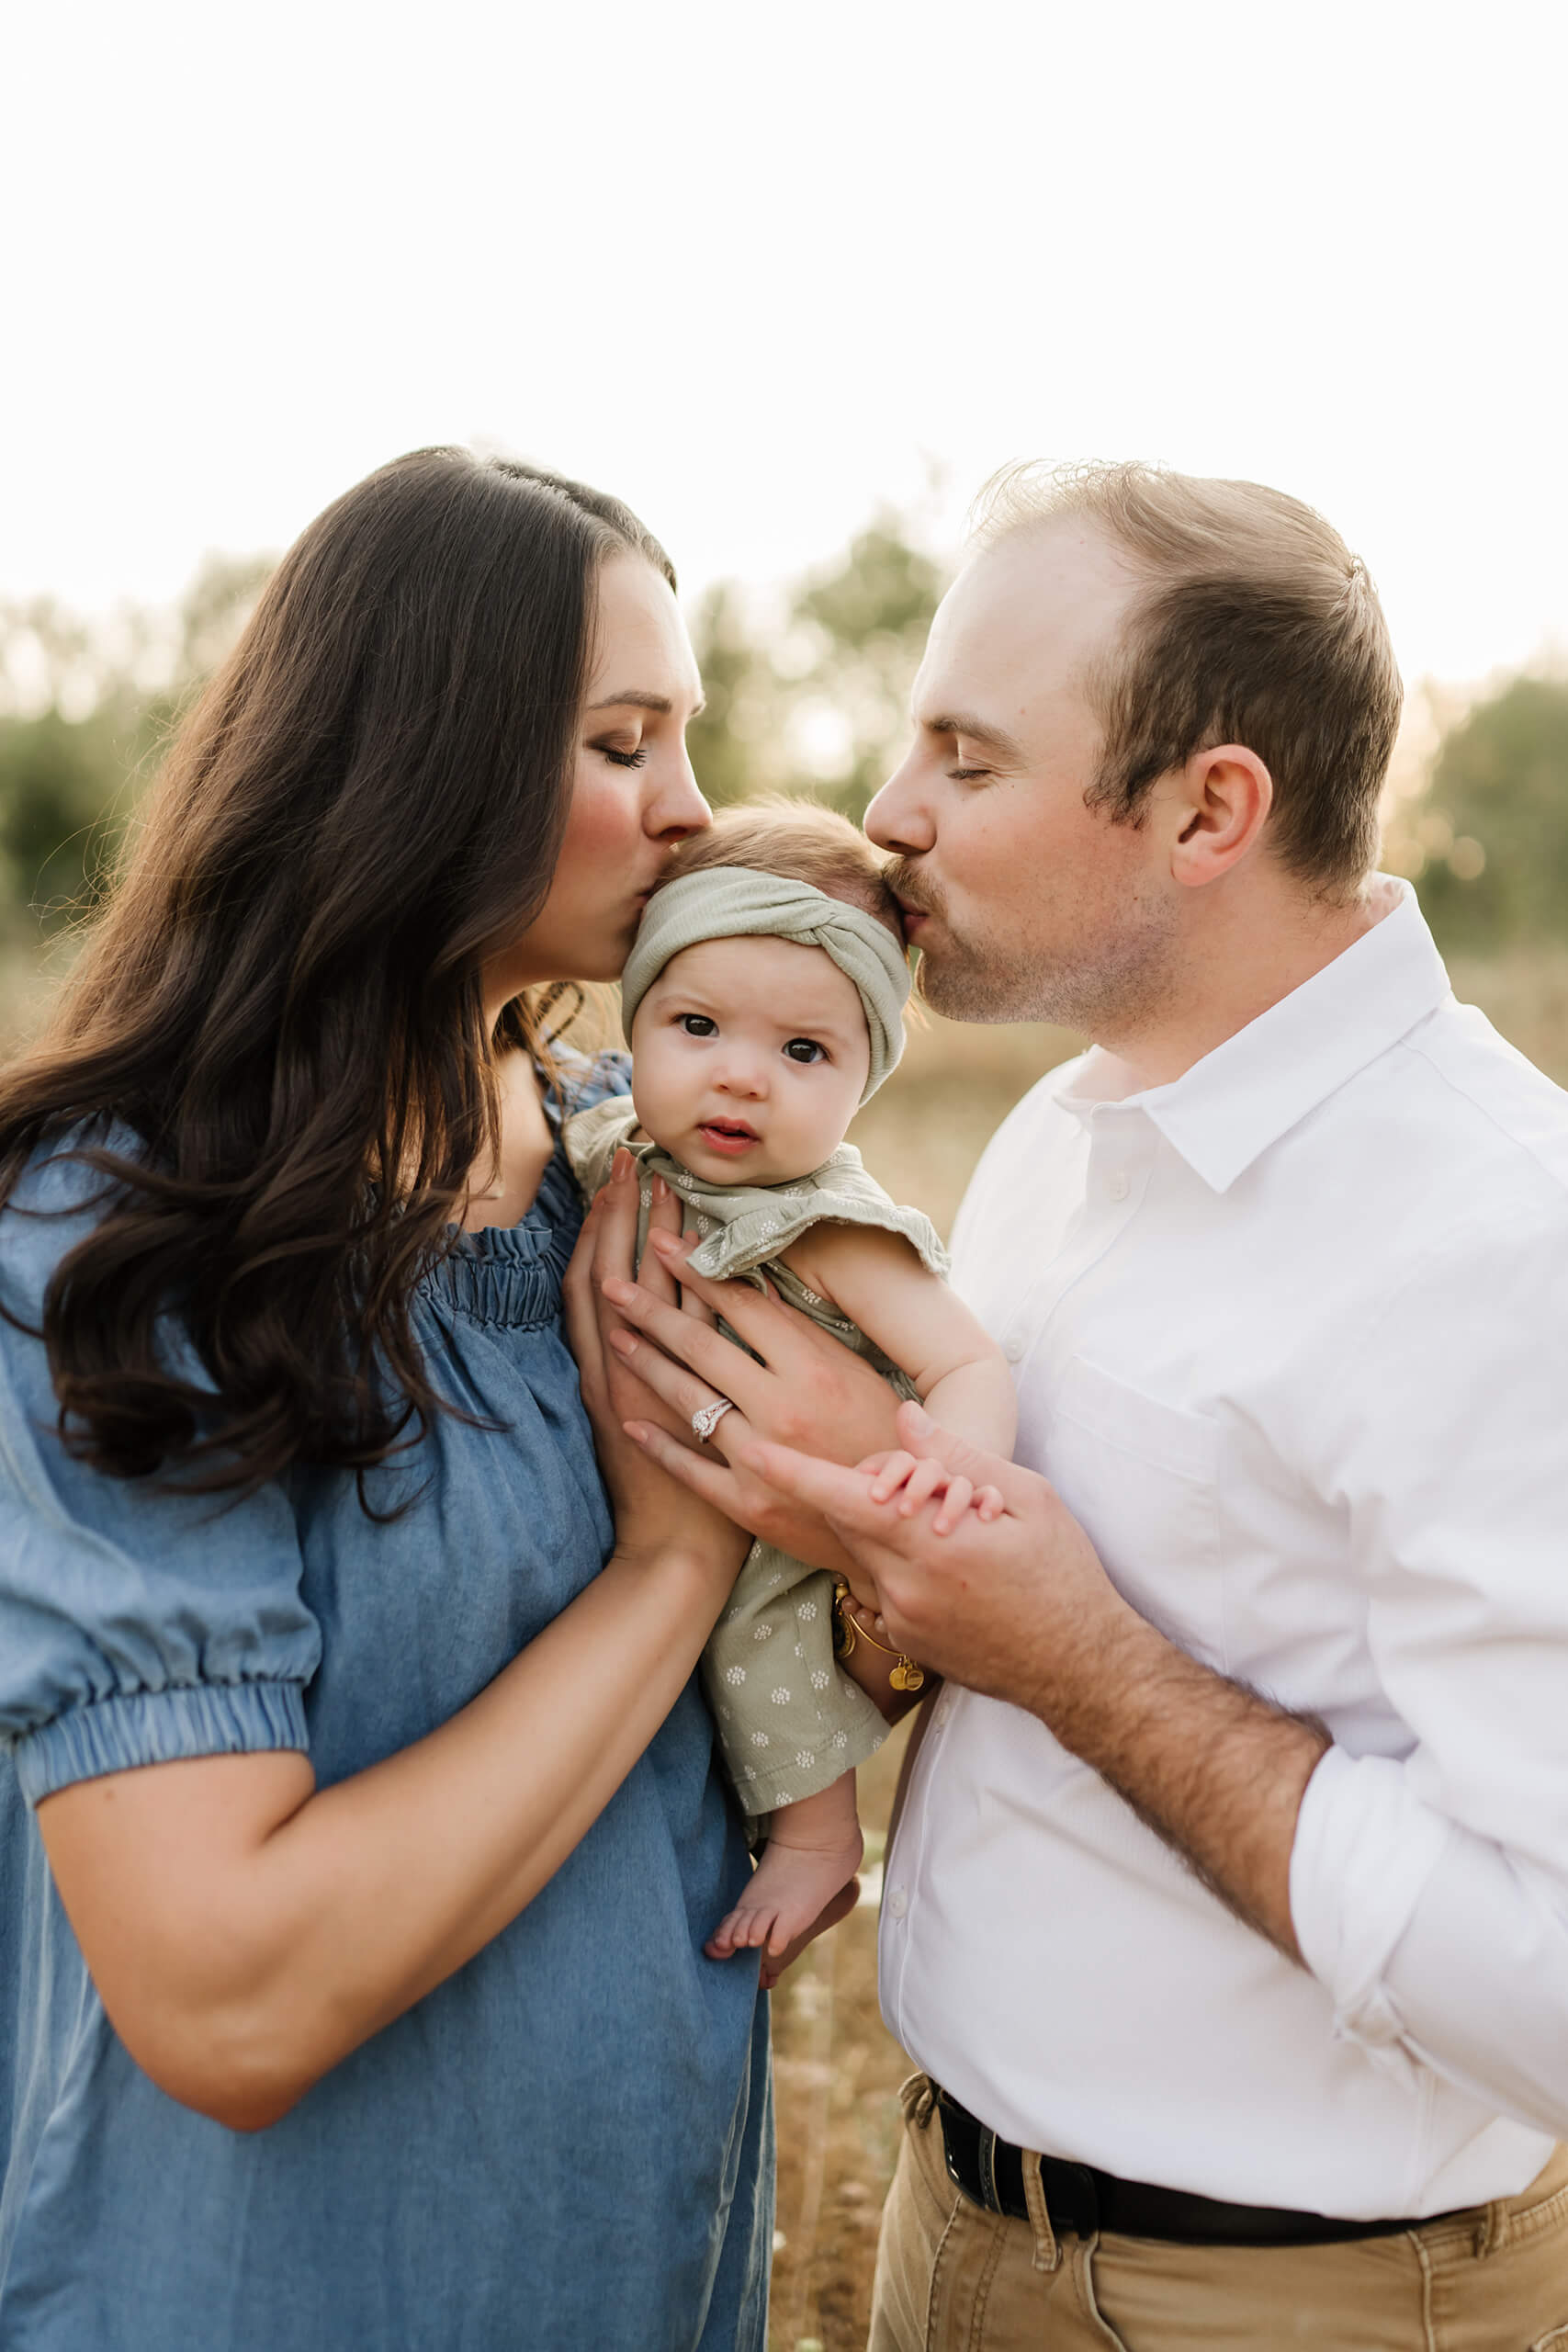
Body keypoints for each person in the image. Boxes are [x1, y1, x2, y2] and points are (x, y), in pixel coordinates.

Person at [599, 463, 1568, 2349]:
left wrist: (1083, 1661)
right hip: (958, 2226)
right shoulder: (1063, 1129)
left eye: (964, 756)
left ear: (1208, 807)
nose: (885, 814)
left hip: (1294, 2305)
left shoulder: (1503, 1239)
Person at [0, 447, 776, 2351]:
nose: (691, 810)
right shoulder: (122, 1230)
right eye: (620, 743)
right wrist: (666, 1570)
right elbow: (224, 1995)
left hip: (640, 2276)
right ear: (418, 759)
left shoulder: (647, 1186)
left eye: (685, 739)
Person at [564, 800, 1014, 1964]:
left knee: (758, 1636)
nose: (741, 1079)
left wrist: (936, 1476)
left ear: (863, 1077)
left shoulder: (828, 1221)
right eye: (699, 1025)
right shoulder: (609, 1140)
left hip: (788, 1508)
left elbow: (963, 1358)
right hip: (664, 1477)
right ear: (641, 1015)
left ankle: (816, 1845)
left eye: (802, 1051)